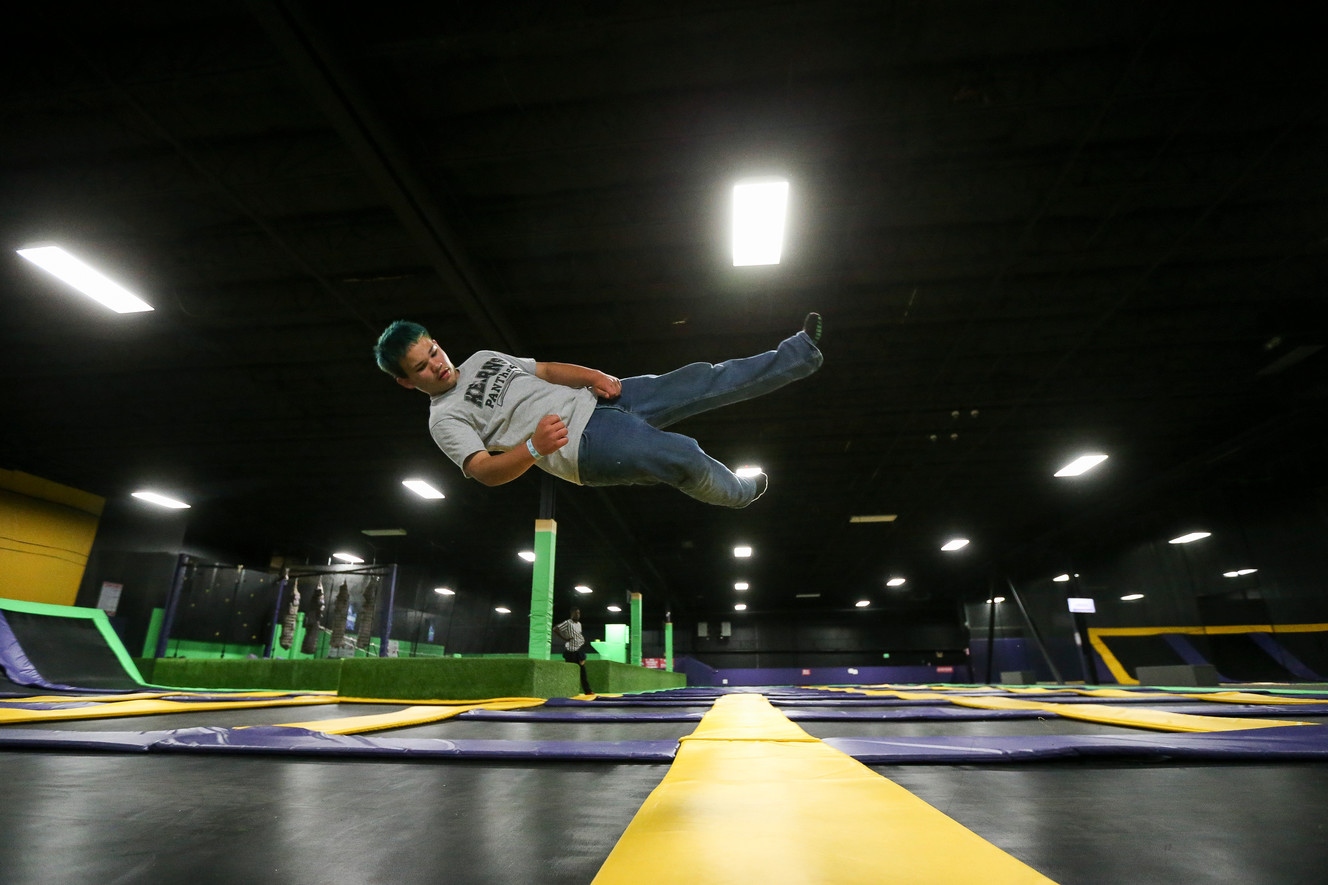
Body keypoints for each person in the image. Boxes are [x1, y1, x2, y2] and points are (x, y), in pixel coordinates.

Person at [373, 313, 823, 508]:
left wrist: (590, 374)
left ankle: (800, 352)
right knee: (682, 454)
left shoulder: (479, 359)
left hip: (602, 400)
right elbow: (484, 471)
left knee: (700, 378)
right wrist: (532, 447)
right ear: (407, 381)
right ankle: (742, 491)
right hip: (584, 447)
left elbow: (545, 368)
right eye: (423, 367)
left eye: (434, 351)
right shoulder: (444, 418)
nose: (439, 365)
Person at [553, 607, 593, 695]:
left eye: (579, 613)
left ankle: (588, 691)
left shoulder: (579, 624)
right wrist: (564, 638)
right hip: (571, 651)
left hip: (579, 650)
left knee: (583, 672)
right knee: (570, 672)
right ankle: (567, 691)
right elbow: (555, 629)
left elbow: (579, 634)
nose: (577, 615)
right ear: (571, 614)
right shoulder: (567, 623)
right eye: (576, 613)